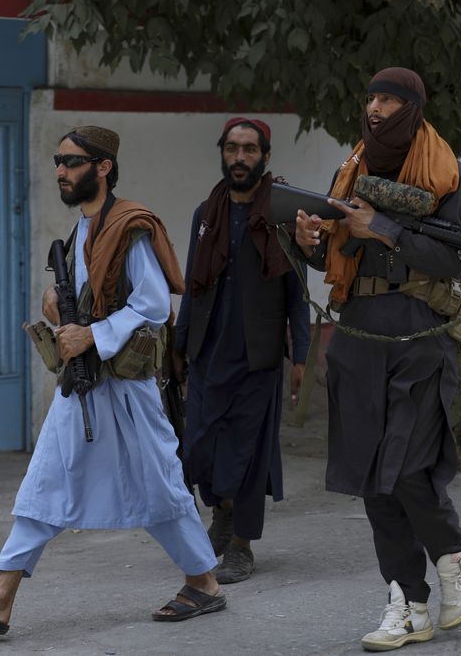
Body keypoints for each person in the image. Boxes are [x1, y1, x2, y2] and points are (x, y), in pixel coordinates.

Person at [0, 126, 224, 635]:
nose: (61, 171)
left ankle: (203, 583)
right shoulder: (83, 229)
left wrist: (93, 335)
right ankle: (0, 599)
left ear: (103, 167)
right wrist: (56, 303)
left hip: (126, 387)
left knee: (158, 485)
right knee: (45, 482)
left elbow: (153, 303)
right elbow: (89, 297)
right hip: (84, 384)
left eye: (71, 162)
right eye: (58, 162)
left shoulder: (129, 226)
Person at [293, 67, 461, 651]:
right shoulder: (352, 167)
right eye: (371, 98)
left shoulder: (445, 171)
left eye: (388, 99)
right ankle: (408, 602)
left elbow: (451, 258)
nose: (374, 108)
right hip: (359, 330)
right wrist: (310, 243)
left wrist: (382, 227)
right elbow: (335, 251)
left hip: (420, 330)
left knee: (406, 466)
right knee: (371, 473)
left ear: (412, 108)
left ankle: (456, 556)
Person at [173, 117, 310, 584]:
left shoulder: (282, 214)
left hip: (258, 355)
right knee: (202, 446)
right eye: (232, 148)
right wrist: (179, 346)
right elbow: (193, 284)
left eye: (249, 150)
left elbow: (297, 291)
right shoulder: (205, 214)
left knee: (246, 454)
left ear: (265, 157)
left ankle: (241, 546)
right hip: (208, 350)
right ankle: (223, 515)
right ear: (222, 153)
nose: (239, 157)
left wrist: (301, 354)